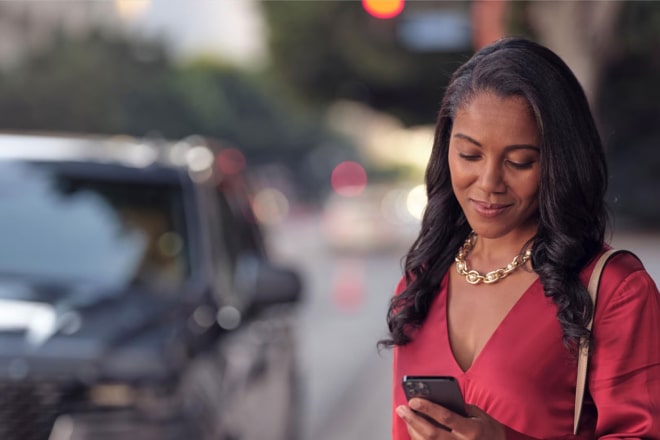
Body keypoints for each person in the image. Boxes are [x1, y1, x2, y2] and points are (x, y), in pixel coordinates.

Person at [380, 37, 660, 439]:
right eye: (470, 156)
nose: (489, 183)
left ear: (560, 163)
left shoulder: (614, 290)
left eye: (519, 161)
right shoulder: (420, 284)